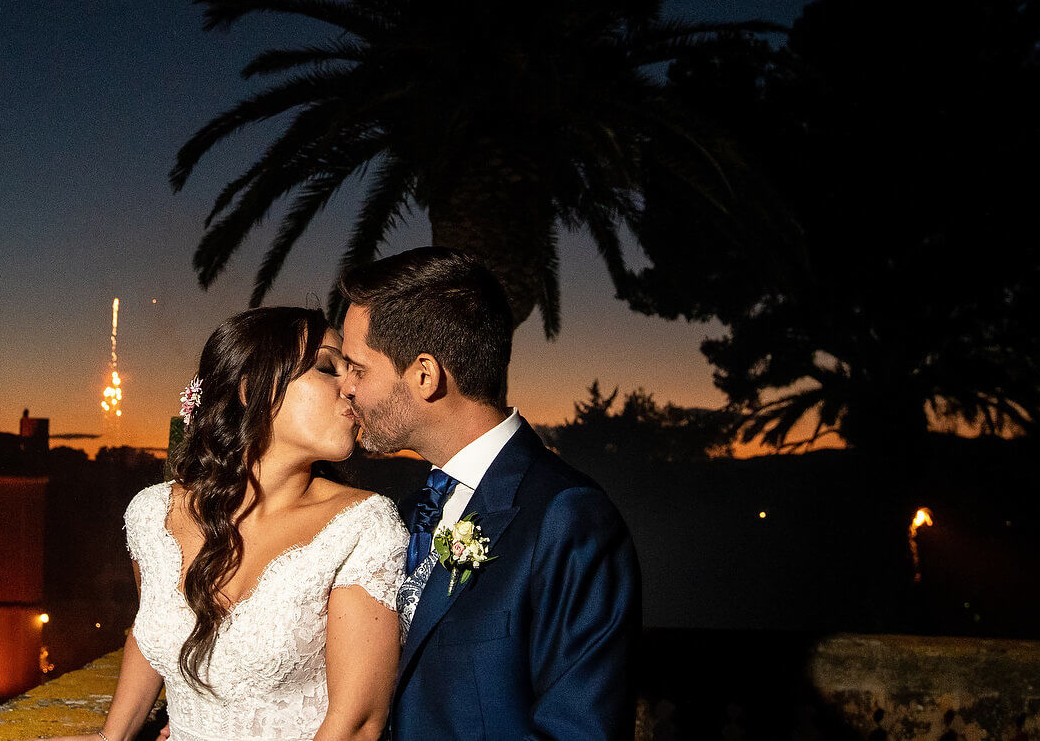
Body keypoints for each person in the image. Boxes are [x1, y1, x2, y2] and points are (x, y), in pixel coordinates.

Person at [47, 306, 409, 741]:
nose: (351, 389)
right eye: (327, 367)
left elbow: (356, 725)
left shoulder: (363, 527)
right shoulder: (152, 515)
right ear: (251, 387)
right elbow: (152, 633)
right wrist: (113, 737)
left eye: (353, 373)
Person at [337, 247, 641, 741]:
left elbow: (581, 729)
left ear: (424, 375)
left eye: (358, 369)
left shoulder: (566, 517)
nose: (345, 388)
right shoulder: (403, 514)